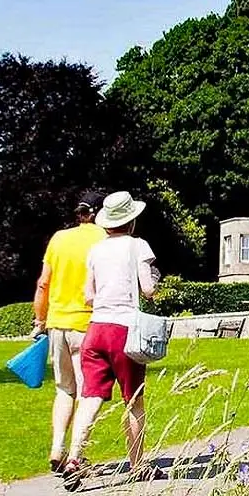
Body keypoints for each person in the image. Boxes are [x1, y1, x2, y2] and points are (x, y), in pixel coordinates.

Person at [61, 191, 163, 481]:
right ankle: (138, 465)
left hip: (96, 330)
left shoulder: (96, 250)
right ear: (131, 221)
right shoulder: (137, 246)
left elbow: (88, 295)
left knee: (90, 396)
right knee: (134, 400)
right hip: (124, 329)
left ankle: (74, 458)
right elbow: (148, 289)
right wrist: (155, 282)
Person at [31, 189, 107, 474]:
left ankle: (57, 447)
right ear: (100, 213)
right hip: (87, 323)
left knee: (64, 389)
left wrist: (40, 322)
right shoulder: (104, 239)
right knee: (88, 392)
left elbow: (43, 284)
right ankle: (77, 455)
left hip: (57, 324)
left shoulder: (59, 238)